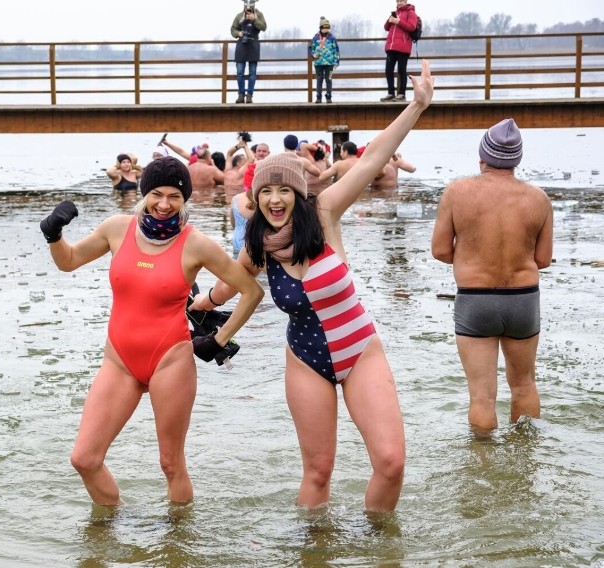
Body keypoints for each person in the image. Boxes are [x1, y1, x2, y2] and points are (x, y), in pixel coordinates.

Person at [190, 60, 434, 511]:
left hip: (359, 350)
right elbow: (230, 286)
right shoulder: (260, 244)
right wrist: (196, 302)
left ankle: (380, 547)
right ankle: (314, 551)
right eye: (266, 192)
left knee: (391, 462)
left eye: (284, 190)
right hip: (305, 359)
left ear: (299, 193)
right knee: (318, 472)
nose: (276, 199)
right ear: (257, 198)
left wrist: (416, 106)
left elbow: (374, 158)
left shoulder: (326, 214)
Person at [40, 156, 263, 506]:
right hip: (119, 360)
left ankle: (176, 544)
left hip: (170, 360)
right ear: (144, 194)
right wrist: (54, 234)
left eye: (174, 196)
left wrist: (218, 340)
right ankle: (111, 530)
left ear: (184, 199)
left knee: (171, 463)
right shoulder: (117, 228)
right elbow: (68, 262)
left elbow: (251, 291)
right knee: (84, 458)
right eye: (157, 194)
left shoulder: (197, 244)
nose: (164, 204)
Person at [431, 118, 553, 436]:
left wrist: (472, 255)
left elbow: (440, 251)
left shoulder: (457, 192)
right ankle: (525, 462)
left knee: (482, 396)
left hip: (476, 298)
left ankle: (484, 469)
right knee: (524, 384)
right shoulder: (539, 199)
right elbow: (543, 259)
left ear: (482, 158)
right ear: (517, 160)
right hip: (523, 299)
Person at [381, 0, 418, 102]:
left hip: (403, 47)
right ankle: (391, 93)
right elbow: (386, 27)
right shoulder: (395, 13)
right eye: (397, 1)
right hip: (391, 47)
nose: (399, 3)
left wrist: (398, 21)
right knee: (388, 70)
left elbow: (412, 27)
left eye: (401, 1)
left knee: (401, 71)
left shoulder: (411, 12)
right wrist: (390, 20)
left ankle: (402, 94)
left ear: (405, 1)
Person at [231, 2, 267, 104]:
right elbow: (232, 29)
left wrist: (254, 19)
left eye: (250, 4)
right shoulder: (239, 16)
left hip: (253, 45)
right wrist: (238, 33)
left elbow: (264, 27)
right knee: (239, 72)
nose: (248, 7)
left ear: (254, 4)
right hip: (242, 44)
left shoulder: (259, 14)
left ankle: (249, 95)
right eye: (246, 4)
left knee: (252, 72)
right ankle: (241, 95)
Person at [310, 17, 341, 104]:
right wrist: (313, 55)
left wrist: (337, 61)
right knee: (319, 79)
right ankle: (318, 97)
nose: (326, 29)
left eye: (328, 27)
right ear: (320, 28)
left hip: (330, 63)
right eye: (324, 27)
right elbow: (311, 48)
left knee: (329, 79)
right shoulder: (316, 38)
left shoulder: (332, 38)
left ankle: (328, 96)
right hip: (318, 63)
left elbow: (336, 50)